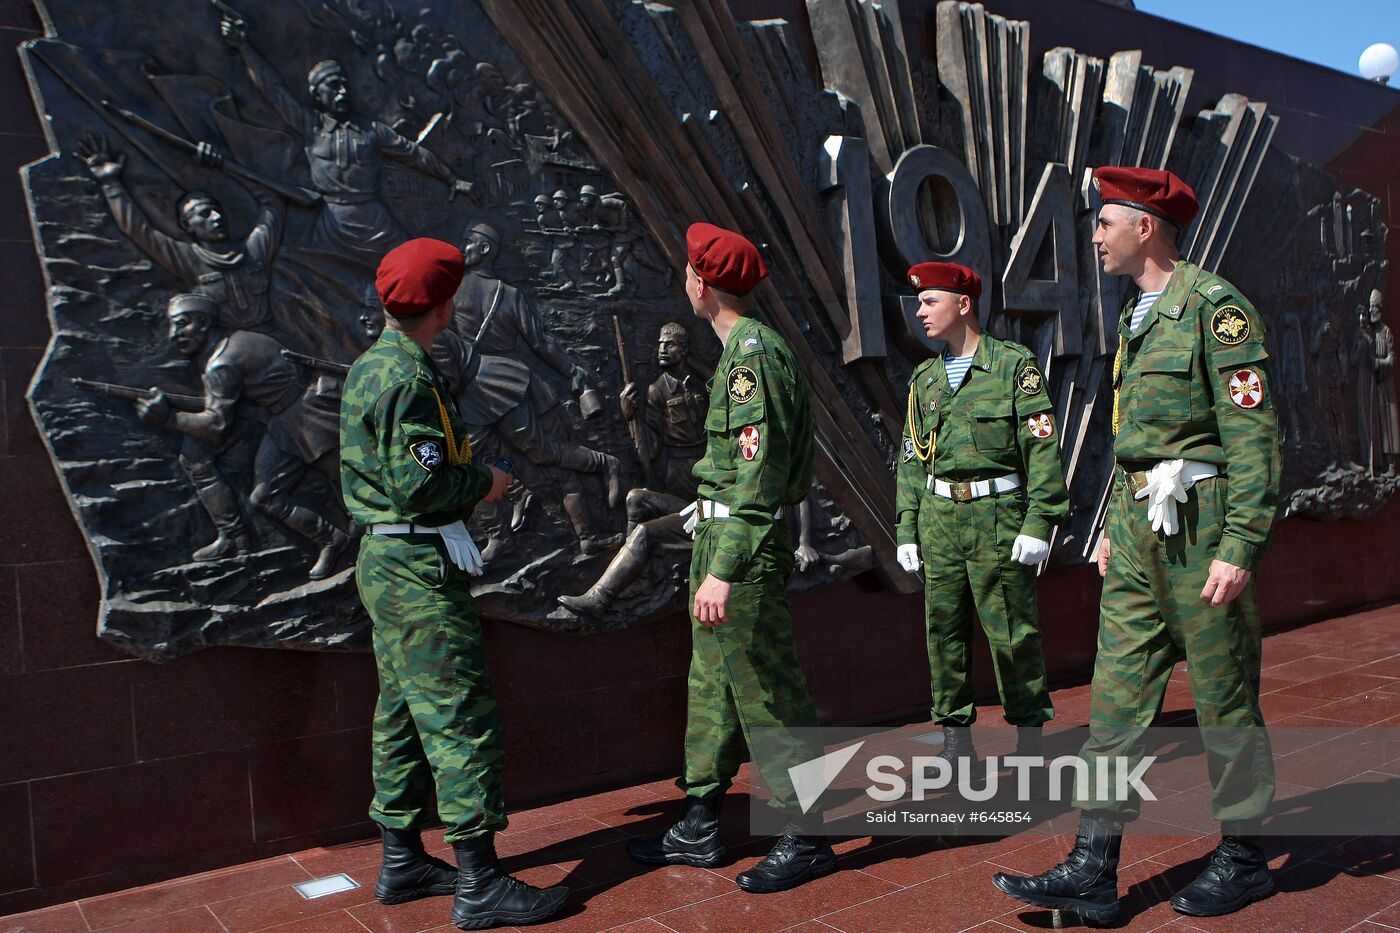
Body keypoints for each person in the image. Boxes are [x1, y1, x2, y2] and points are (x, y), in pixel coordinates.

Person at [993, 167, 1280, 922]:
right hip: (1139, 529)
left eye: (1104, 222)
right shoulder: (1137, 317)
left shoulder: (1216, 310)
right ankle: (1094, 865)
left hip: (1203, 528)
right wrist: (1112, 530)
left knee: (1223, 698)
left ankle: (1246, 856)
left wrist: (1240, 544)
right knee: (1117, 698)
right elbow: (1134, 444)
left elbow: (1253, 440)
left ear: (1145, 226)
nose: (1094, 235)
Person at [339, 239, 567, 929]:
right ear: (443, 304)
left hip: (389, 563)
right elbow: (420, 482)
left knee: (404, 713)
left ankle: (403, 857)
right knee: (458, 713)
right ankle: (480, 880)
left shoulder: (371, 366)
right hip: (416, 568)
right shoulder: (408, 377)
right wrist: (486, 483)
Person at [627, 222, 835, 894]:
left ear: (703, 283)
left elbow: (759, 475)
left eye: (689, 272)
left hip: (740, 550)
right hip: (720, 537)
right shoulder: (737, 354)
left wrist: (723, 566)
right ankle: (700, 820)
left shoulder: (752, 360)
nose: (686, 282)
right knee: (712, 684)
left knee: (767, 688)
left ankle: (807, 833)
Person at [893, 261, 1068, 777]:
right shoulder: (924, 380)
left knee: (1013, 634)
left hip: (998, 518)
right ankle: (954, 740)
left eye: (930, 302)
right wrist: (907, 529)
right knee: (942, 632)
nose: (920, 312)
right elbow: (910, 459)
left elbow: (1041, 450)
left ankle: (1030, 739)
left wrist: (1040, 522)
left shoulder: (1014, 367)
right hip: (939, 517)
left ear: (963, 304)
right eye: (920, 302)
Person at [136, 293, 346, 577]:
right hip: (285, 419)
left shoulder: (220, 364)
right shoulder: (239, 339)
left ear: (204, 323)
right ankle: (332, 539)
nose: (175, 335)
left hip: (311, 419)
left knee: (351, 484)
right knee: (266, 496)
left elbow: (216, 425)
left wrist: (170, 418)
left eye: (182, 324)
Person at [448, 222, 621, 553]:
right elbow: (542, 343)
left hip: (503, 386)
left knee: (539, 451)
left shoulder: (502, 295)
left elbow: (540, 341)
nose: (463, 247)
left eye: (469, 242)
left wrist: (572, 371)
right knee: (471, 461)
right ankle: (500, 533)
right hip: (473, 390)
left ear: (485, 249)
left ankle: (602, 464)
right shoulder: (459, 289)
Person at [557, 322, 707, 616]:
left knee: (645, 532)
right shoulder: (655, 391)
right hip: (683, 486)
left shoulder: (703, 385)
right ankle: (633, 574)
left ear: (685, 350)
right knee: (635, 498)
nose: (662, 348)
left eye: (670, 344)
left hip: (711, 501)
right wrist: (630, 417)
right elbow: (648, 451)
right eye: (660, 344)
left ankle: (600, 597)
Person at [77, 135, 281, 332]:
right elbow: (137, 229)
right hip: (227, 349)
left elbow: (271, 202)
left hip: (276, 345)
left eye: (218, 210)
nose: (217, 217)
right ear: (187, 224)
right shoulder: (187, 257)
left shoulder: (254, 250)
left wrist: (225, 166)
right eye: (205, 213)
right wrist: (110, 183)